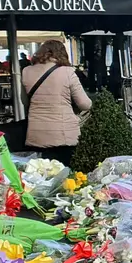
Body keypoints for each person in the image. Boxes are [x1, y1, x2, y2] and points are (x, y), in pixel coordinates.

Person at [23, 40, 92, 168]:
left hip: (37, 134)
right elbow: (85, 104)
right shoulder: (67, 72)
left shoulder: (26, 71)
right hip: (63, 134)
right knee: (65, 177)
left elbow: (24, 101)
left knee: (41, 175)